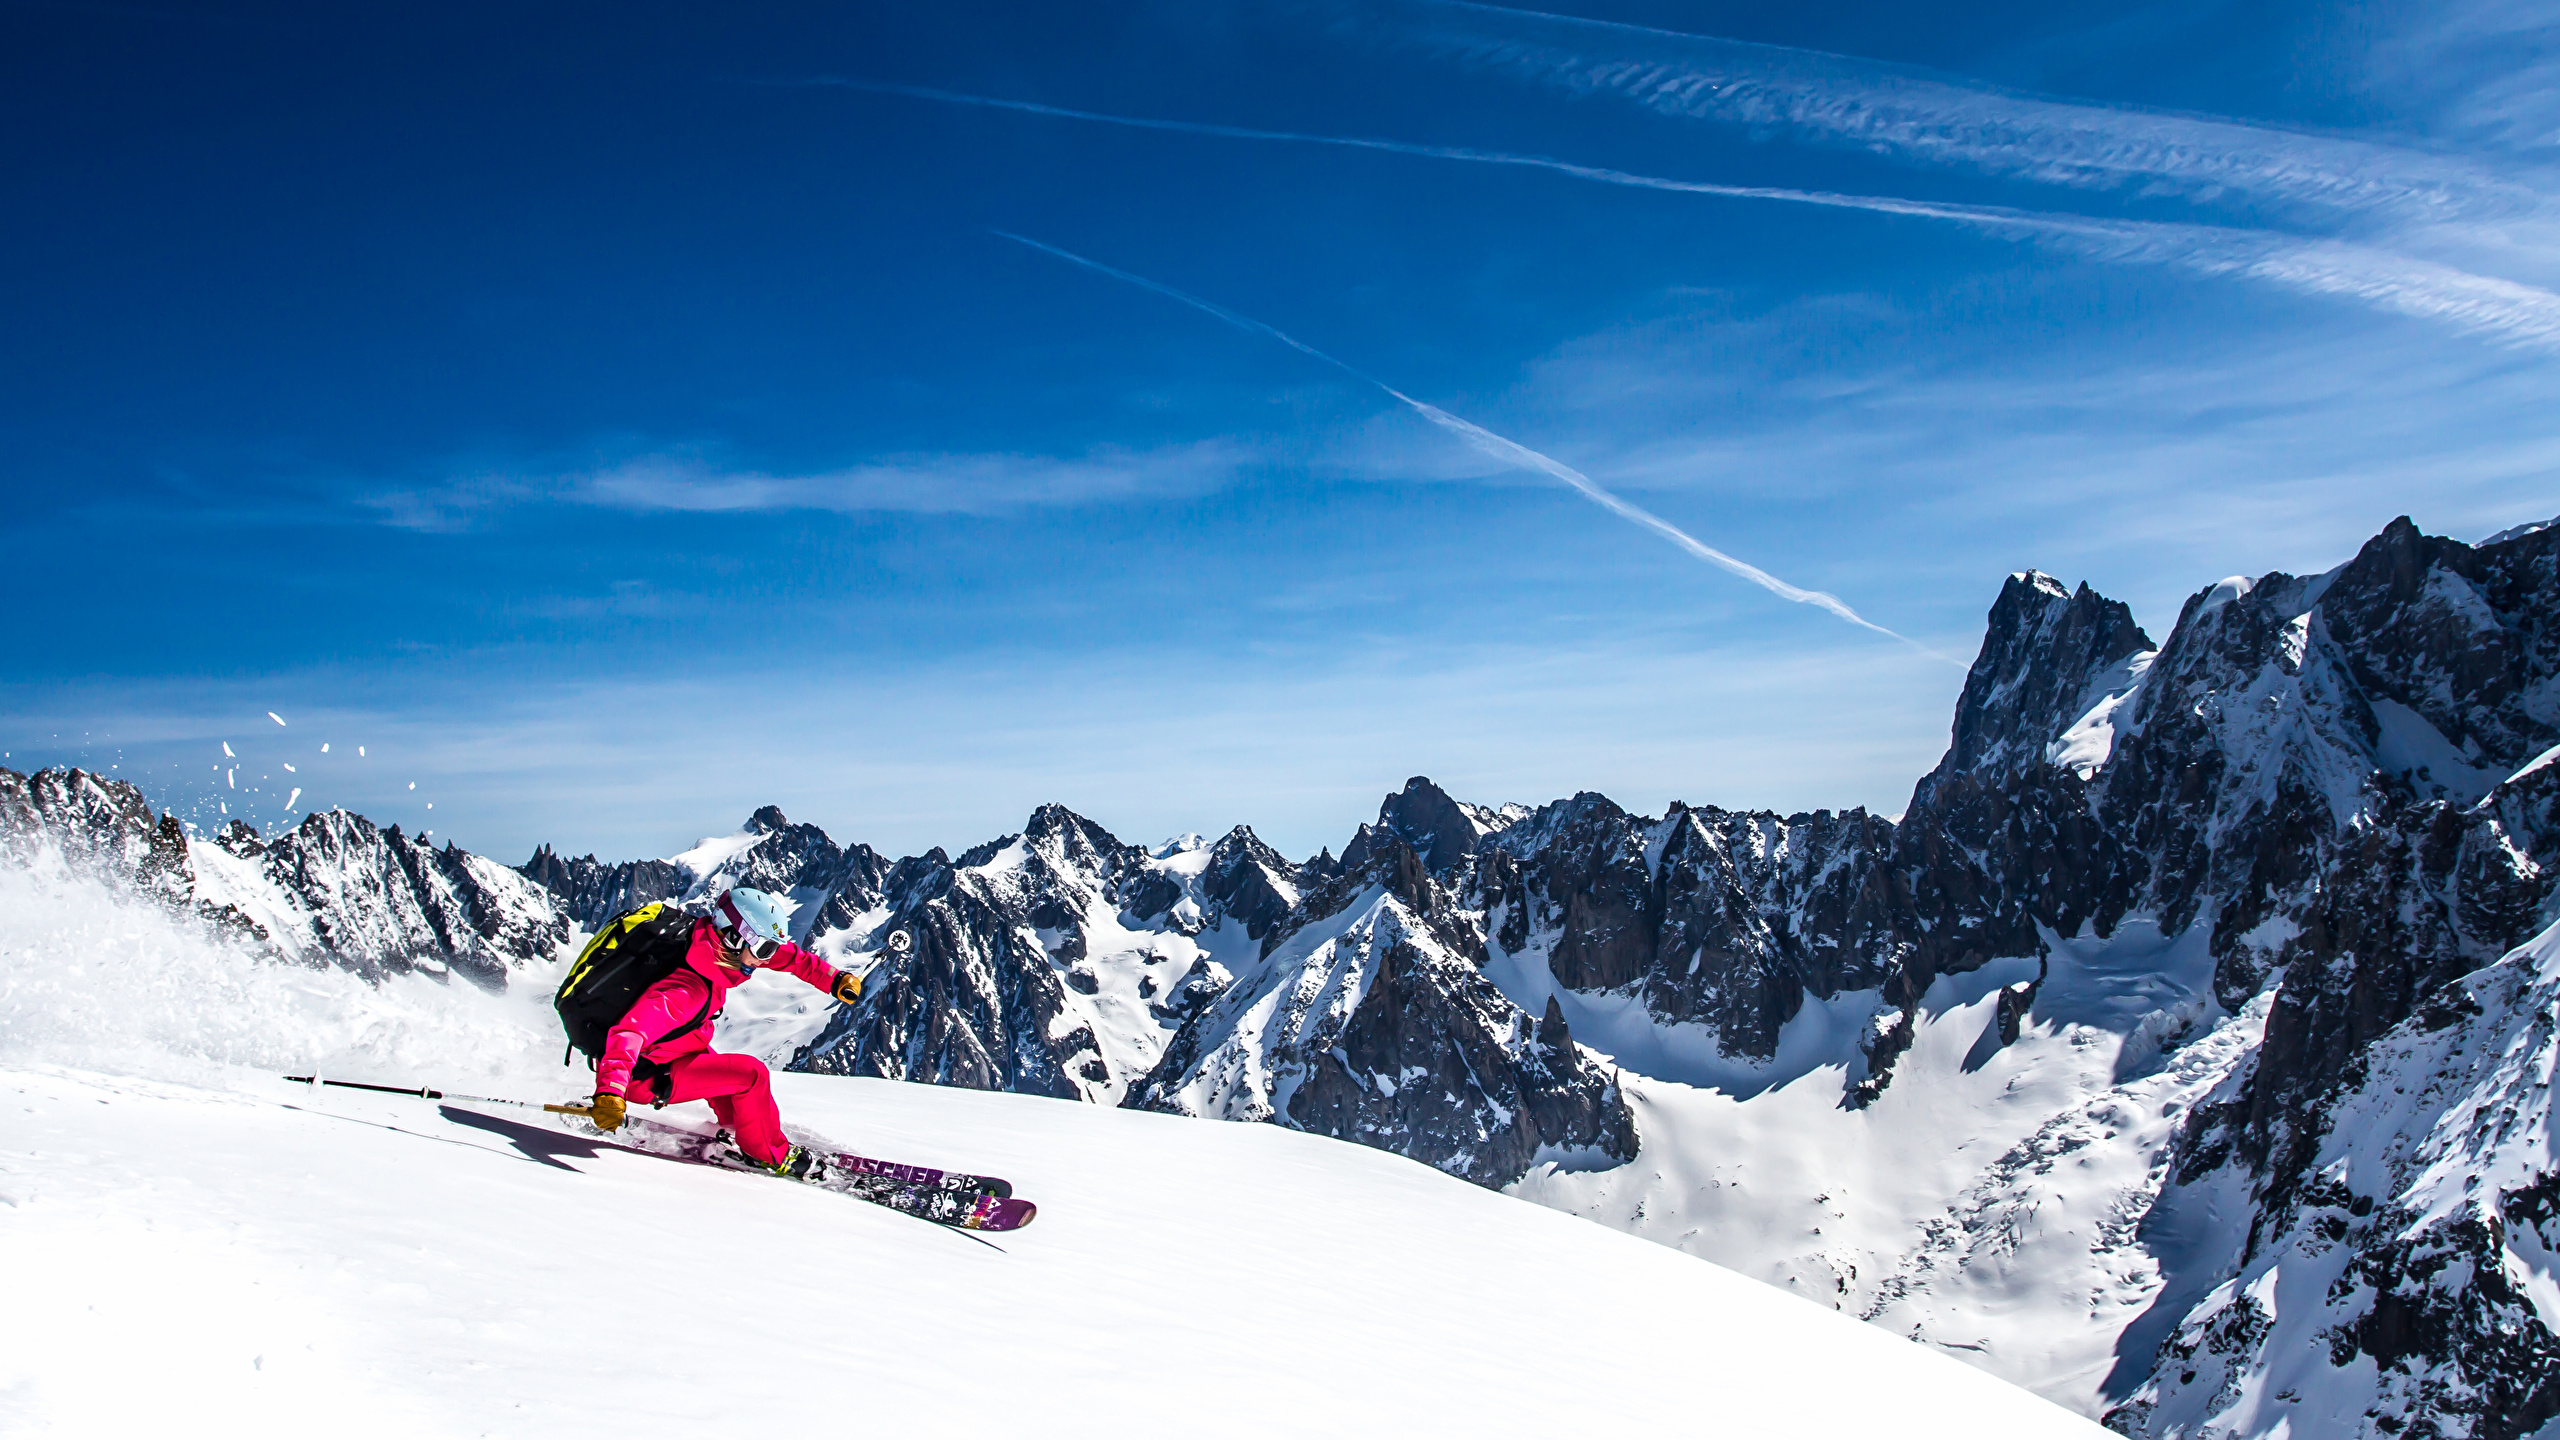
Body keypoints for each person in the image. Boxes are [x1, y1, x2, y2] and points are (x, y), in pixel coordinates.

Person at [586, 886, 860, 1177]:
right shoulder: (684, 989)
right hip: (644, 1076)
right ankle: (768, 1155)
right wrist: (610, 1091)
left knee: (733, 1098)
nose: (765, 959)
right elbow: (629, 1033)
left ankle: (736, 1130)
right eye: (763, 949)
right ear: (733, 937)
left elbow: (790, 958)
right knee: (750, 1076)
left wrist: (834, 979)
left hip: (676, 1048)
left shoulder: (707, 949)